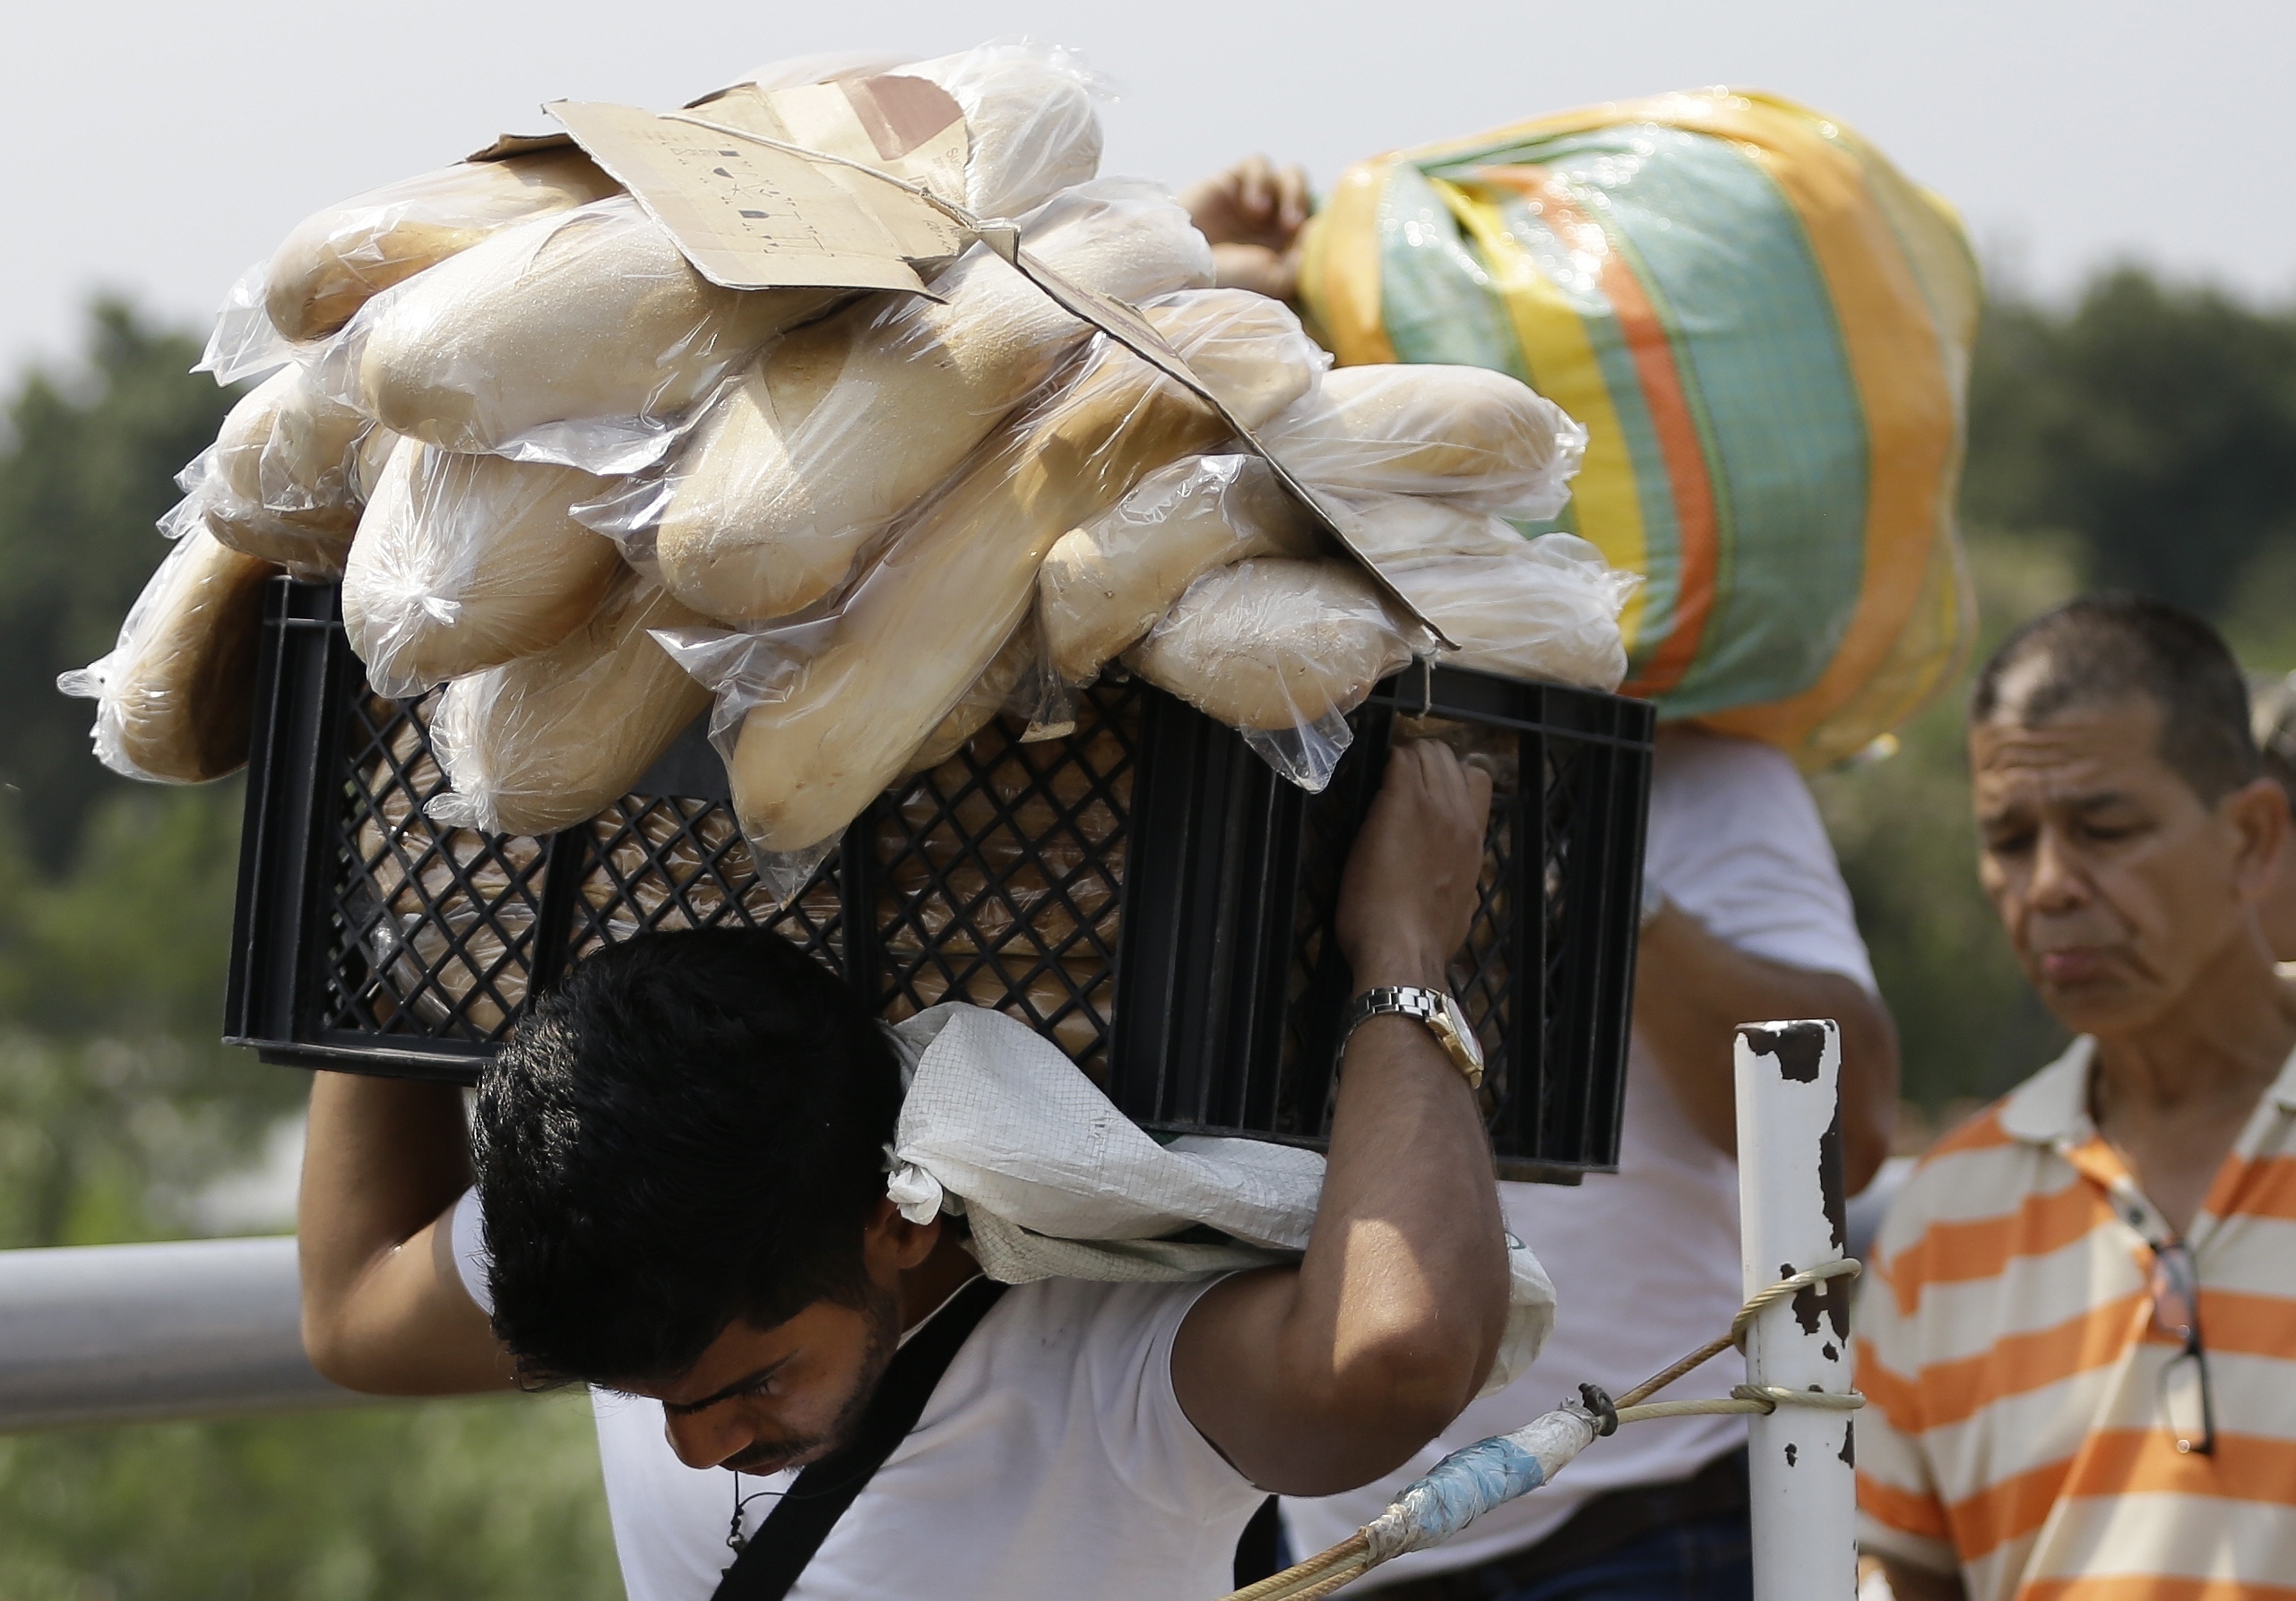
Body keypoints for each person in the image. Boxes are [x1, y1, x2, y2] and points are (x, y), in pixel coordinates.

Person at [298, 743, 1520, 1601]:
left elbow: (1393, 1356)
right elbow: (357, 1315)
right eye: (651, 1398)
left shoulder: (1106, 1356)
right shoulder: (634, 1245)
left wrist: (1401, 950)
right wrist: (419, 895)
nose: (697, 1444)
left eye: (752, 1382)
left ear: (894, 1216)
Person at [1182, 159, 1902, 1600]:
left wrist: (1573, 850)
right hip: (1353, 1545)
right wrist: (1220, 313)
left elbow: (1847, 1125)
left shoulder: (1706, 779)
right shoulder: (1272, 763)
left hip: (1640, 1518)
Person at [1857, 596, 2296, 1601]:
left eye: (2104, 828)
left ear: (2251, 837)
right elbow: (1902, 1567)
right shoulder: (1943, 1220)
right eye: (2010, 840)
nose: (2050, 884)